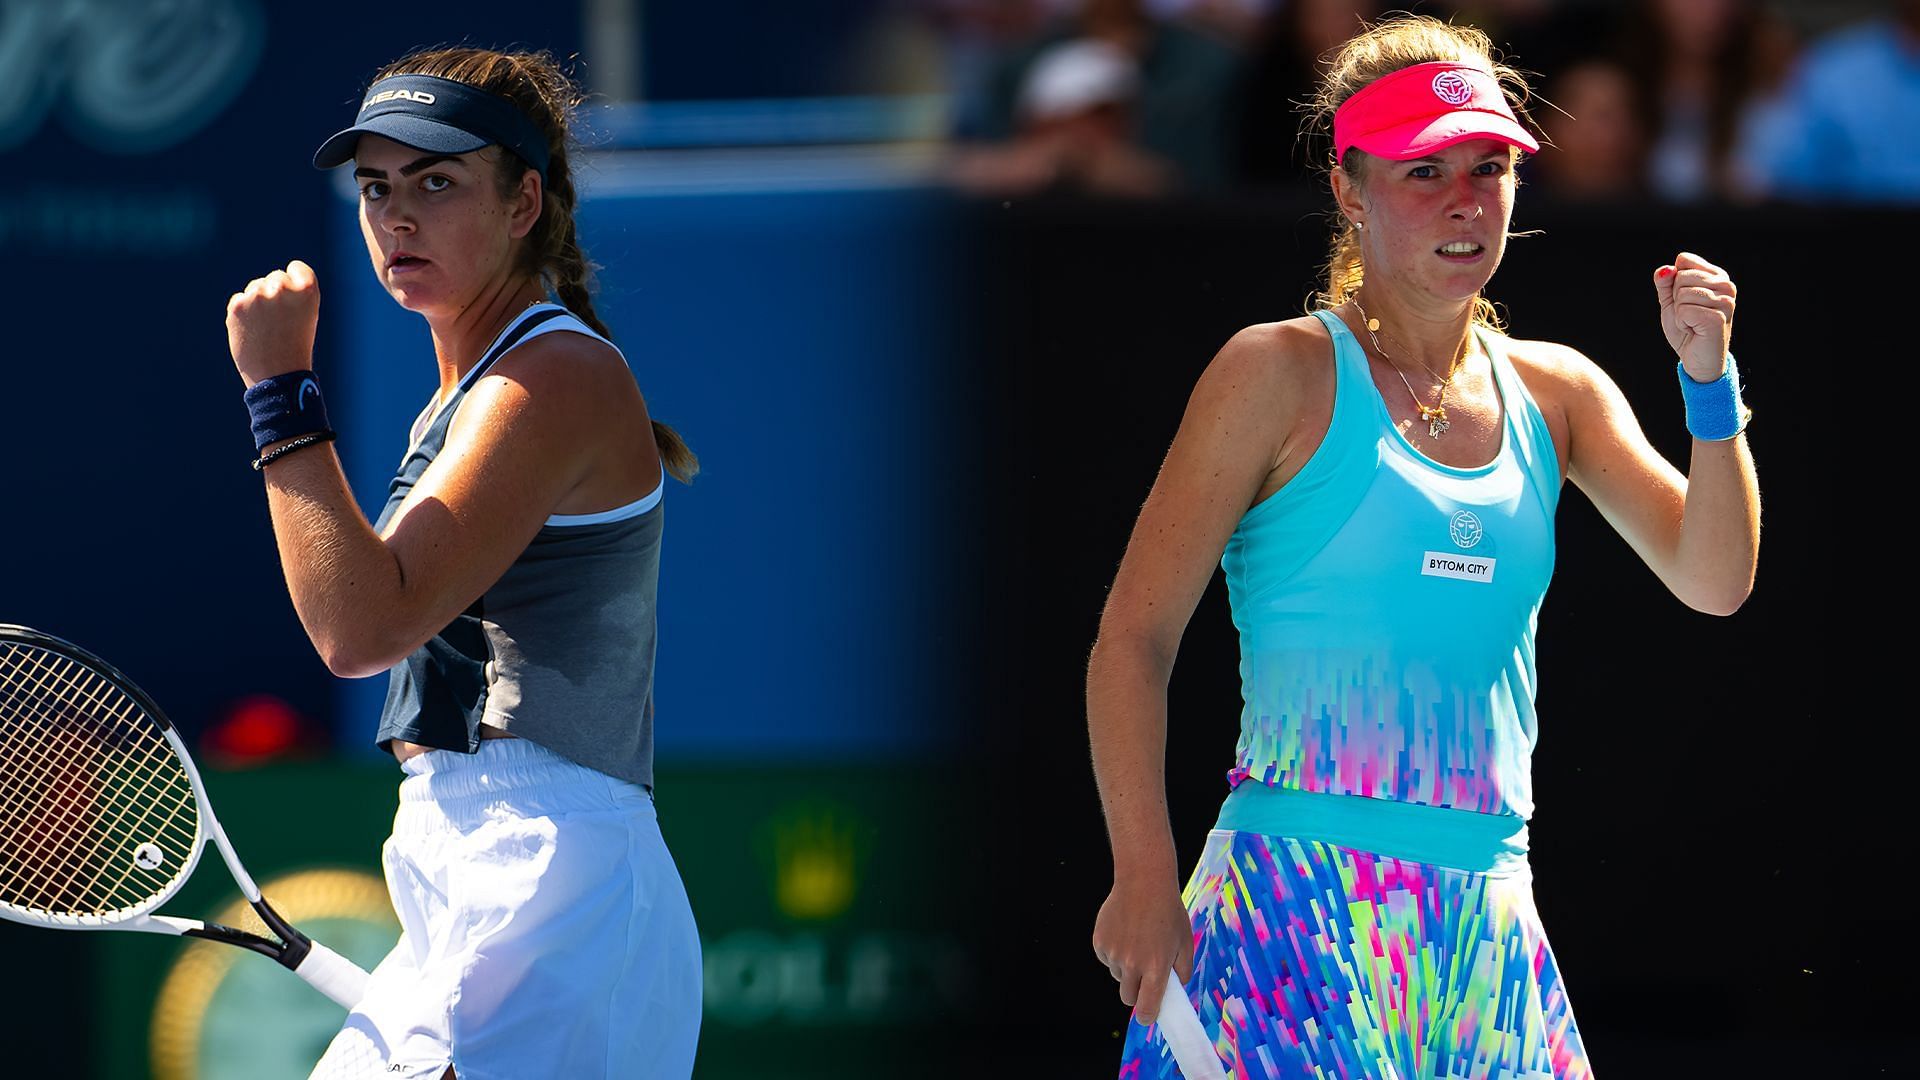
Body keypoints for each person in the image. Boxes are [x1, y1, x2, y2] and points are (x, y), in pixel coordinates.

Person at [1087, 14, 1758, 1078]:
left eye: (1489, 168)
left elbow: (1716, 580)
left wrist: (1708, 384)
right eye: (1422, 171)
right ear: (1350, 187)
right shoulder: (1273, 373)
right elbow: (1134, 637)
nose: (1465, 201)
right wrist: (1142, 868)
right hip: (1284, 909)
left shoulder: (1562, 391)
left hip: (1487, 920)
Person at [223, 46, 703, 1079]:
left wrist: (279, 396)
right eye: (377, 189)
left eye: (437, 183)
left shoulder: (555, 377)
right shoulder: (471, 396)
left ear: (525, 201)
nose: (397, 218)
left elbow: (355, 627)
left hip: (552, 873)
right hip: (468, 863)